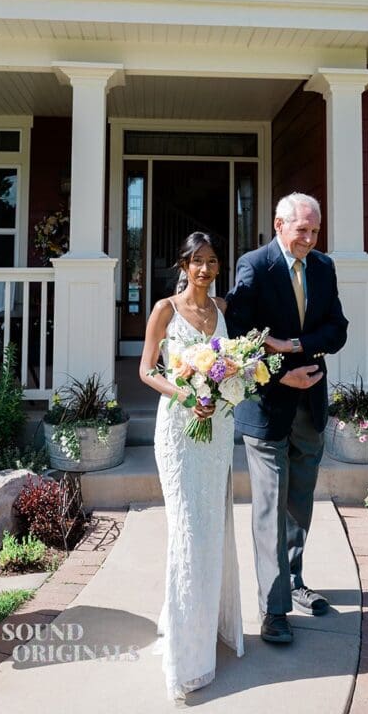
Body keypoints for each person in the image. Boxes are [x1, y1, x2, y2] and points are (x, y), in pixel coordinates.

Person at [225, 193, 348, 645]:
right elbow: (239, 340)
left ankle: (293, 581)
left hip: (310, 404)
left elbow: (337, 330)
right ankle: (273, 611)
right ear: (279, 224)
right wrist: (282, 372)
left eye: (315, 231)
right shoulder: (254, 266)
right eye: (303, 230)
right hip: (267, 406)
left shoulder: (324, 267)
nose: (310, 239)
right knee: (270, 506)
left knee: (299, 500)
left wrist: (292, 345)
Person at [139, 232, 244, 701]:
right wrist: (187, 393)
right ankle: (187, 654)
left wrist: (223, 386)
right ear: (182, 264)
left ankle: (209, 628)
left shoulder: (222, 310)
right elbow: (147, 370)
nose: (204, 268)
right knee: (187, 531)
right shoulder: (165, 309)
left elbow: (233, 364)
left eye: (212, 261)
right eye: (196, 261)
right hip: (179, 432)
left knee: (213, 528)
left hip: (218, 430)